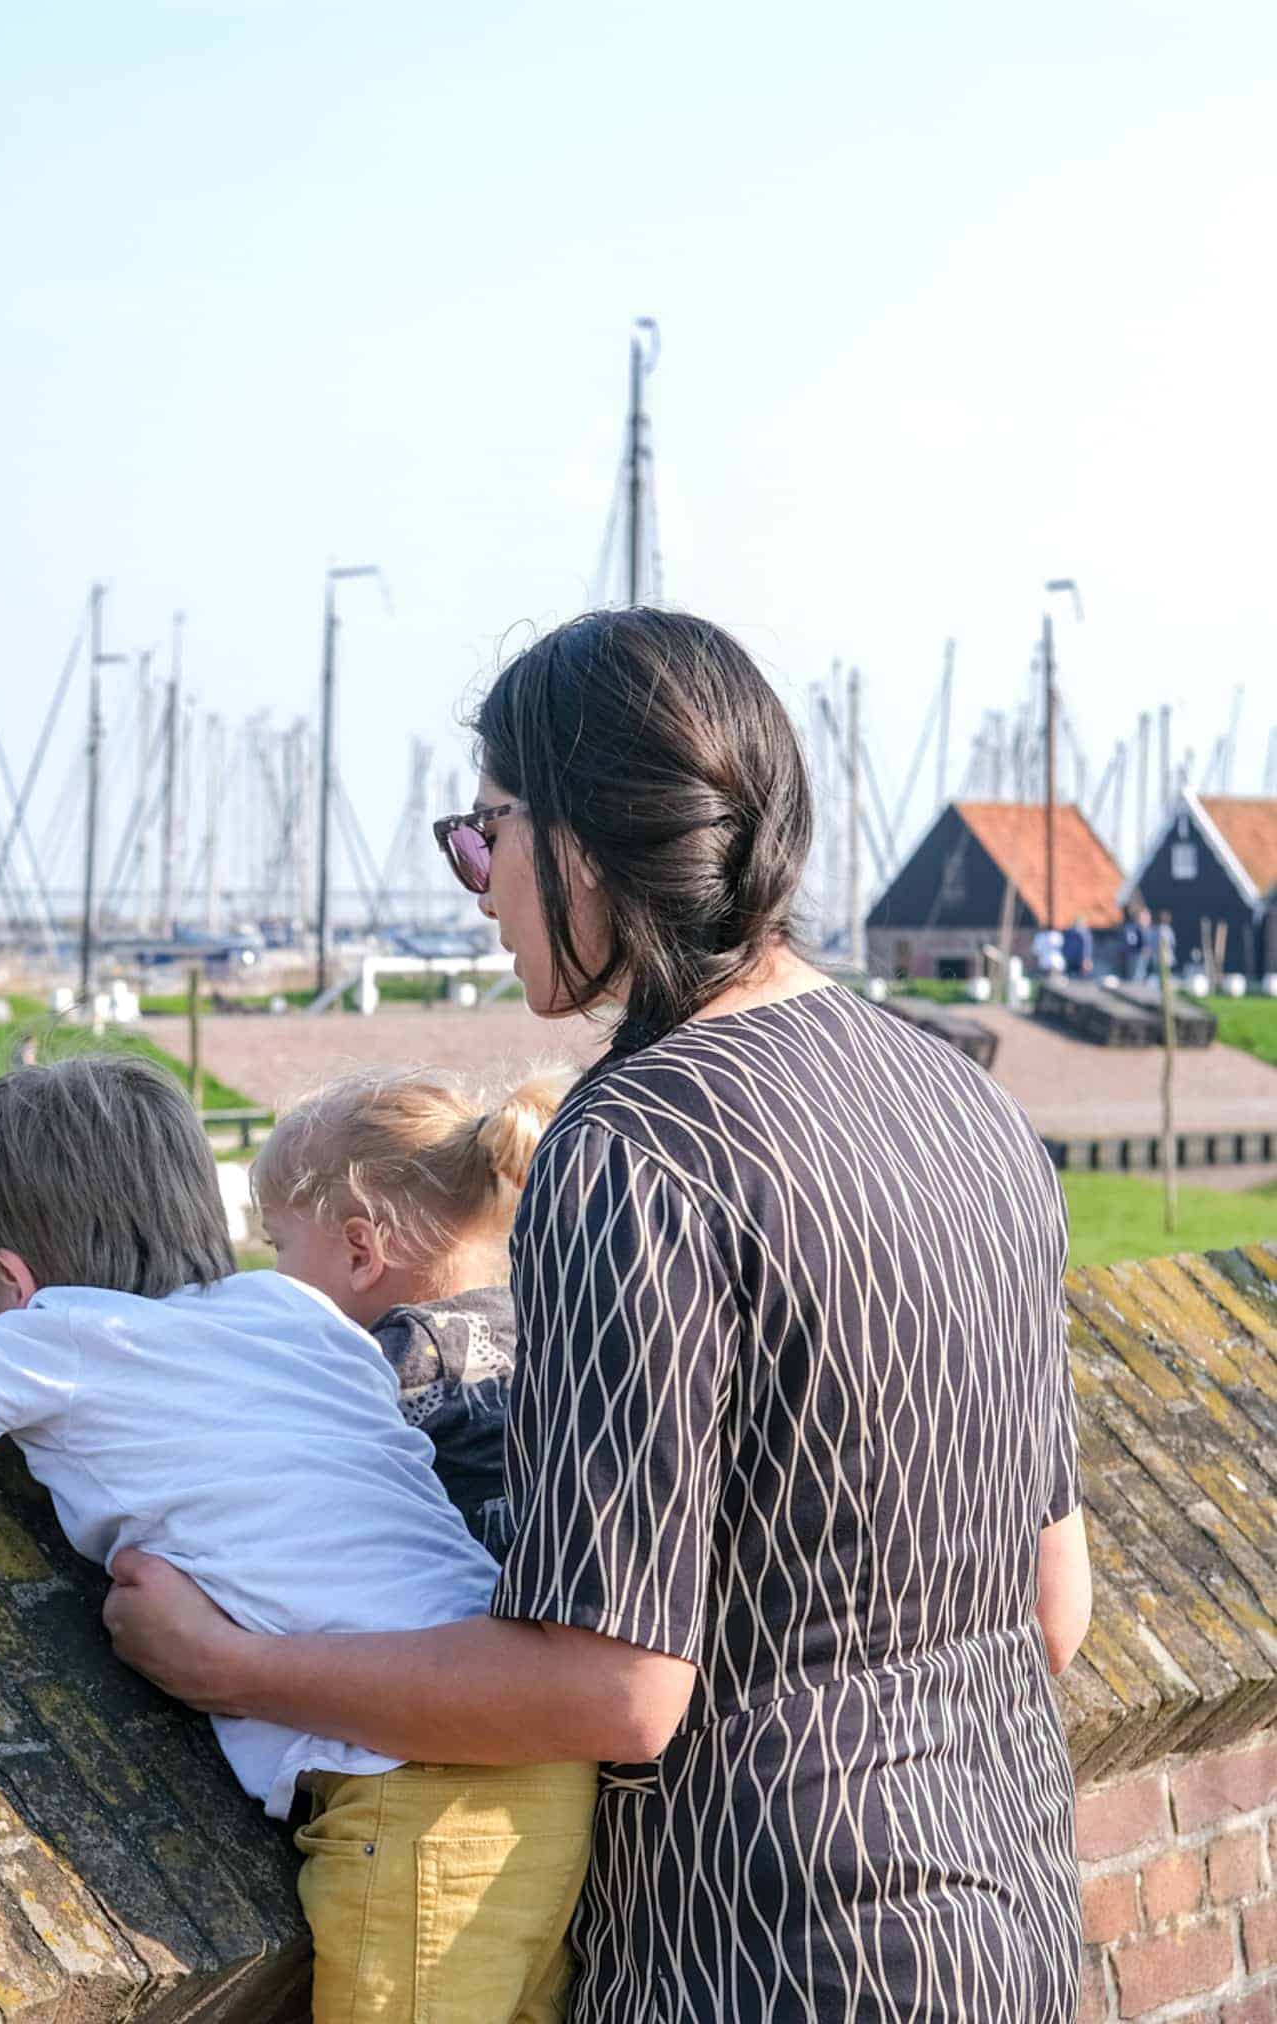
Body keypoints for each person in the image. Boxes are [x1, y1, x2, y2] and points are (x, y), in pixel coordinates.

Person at [104, 607, 1089, 2023]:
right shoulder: (967, 1105)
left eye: (486, 830)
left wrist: (233, 1664)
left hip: (764, 1960)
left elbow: (610, 1688)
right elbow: (1053, 1609)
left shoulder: (636, 1150)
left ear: (585, 840)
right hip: (1006, 1928)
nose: (476, 881)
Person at [0, 1052, 597, 2022]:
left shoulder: (59, 1333)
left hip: (407, 1790)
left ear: (12, 1280)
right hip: (532, 1753)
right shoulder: (291, 1310)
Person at [252, 1064, 567, 1559]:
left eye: (279, 1244)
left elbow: (287, 1478)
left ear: (360, 1252)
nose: (276, 1270)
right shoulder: (532, 1323)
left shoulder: (398, 1361)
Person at [1121, 904, 1153, 981]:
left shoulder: (1148, 929)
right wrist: (1140, 948)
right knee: (1136, 976)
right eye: (1144, 916)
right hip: (1136, 955)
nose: (1147, 918)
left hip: (1146, 956)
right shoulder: (1132, 928)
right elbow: (1131, 942)